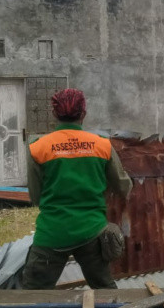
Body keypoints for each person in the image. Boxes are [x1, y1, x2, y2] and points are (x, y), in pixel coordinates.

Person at [22, 88, 132, 289]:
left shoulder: (38, 148)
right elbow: (124, 187)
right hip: (92, 231)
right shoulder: (102, 146)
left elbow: (36, 196)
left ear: (55, 114)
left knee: (33, 298)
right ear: (83, 113)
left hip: (52, 232)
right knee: (105, 294)